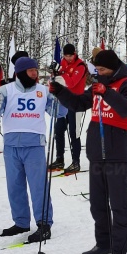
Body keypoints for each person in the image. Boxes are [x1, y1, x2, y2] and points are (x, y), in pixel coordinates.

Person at [50, 50, 127, 254]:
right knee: (97, 204)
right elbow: (80, 103)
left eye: (102, 70)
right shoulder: (98, 84)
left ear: (112, 68)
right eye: (96, 70)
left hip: (117, 152)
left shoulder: (126, 83)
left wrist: (107, 92)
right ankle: (103, 243)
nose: (98, 73)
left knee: (118, 204)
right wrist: (60, 91)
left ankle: (119, 249)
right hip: (97, 152)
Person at [0, 57, 57, 242]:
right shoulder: (6, 90)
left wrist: (59, 97)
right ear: (20, 72)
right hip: (11, 146)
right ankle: (21, 222)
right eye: (30, 70)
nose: (34, 73)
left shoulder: (43, 91)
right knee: (14, 186)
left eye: (35, 70)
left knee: (38, 185)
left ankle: (44, 223)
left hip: (34, 145)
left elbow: (59, 113)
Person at [50, 43, 88, 175]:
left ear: (74, 53)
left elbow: (72, 82)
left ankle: (76, 161)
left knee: (74, 132)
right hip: (64, 101)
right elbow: (58, 79)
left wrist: (61, 74)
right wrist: (55, 73)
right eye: (66, 56)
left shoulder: (80, 66)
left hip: (76, 102)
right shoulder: (63, 62)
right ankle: (59, 159)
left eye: (70, 55)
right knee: (58, 130)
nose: (68, 58)